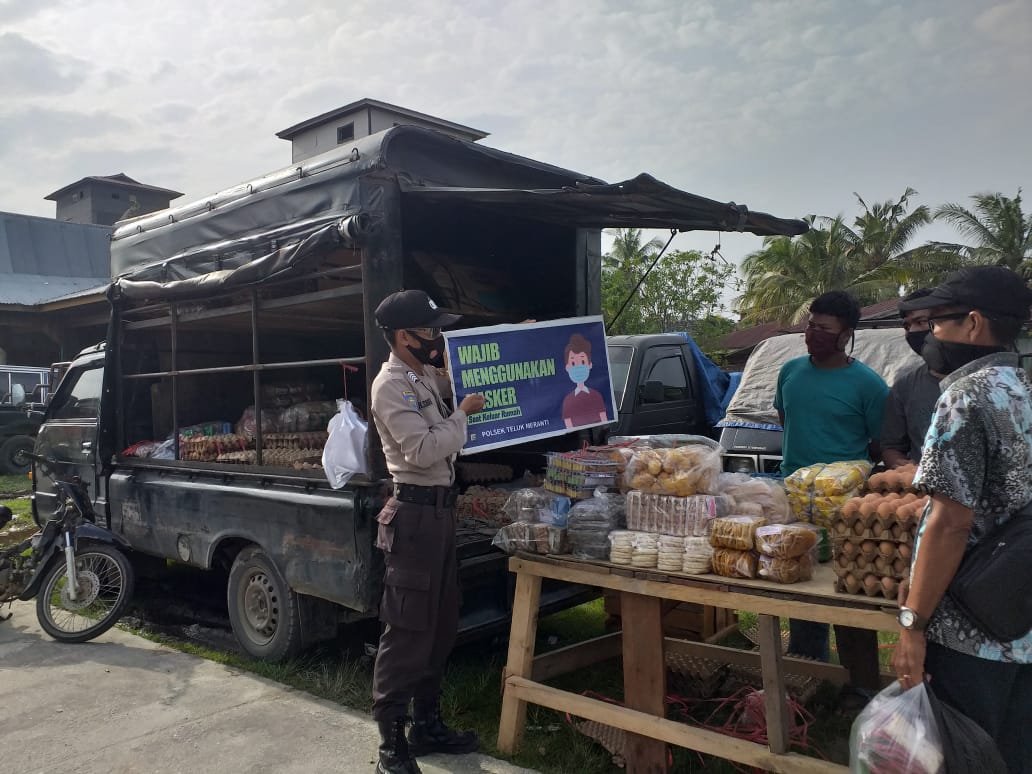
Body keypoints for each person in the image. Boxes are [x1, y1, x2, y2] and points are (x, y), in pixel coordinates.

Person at [892, 266, 1032, 774]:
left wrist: (912, 626)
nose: (931, 334)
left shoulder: (966, 395)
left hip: (971, 630)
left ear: (973, 323)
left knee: (962, 756)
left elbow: (949, 523)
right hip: (1022, 618)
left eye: (939, 323)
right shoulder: (1024, 388)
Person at [369, 289, 486, 774]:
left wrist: (518, 339)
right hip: (414, 517)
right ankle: (391, 745)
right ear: (404, 336)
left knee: (440, 624)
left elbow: (461, 375)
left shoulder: (422, 376)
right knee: (408, 629)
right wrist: (462, 415)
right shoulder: (391, 385)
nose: (438, 339)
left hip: (440, 515)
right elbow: (421, 450)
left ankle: (427, 725)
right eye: (431, 331)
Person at [774, 290, 888, 694]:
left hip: (844, 508)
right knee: (802, 589)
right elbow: (786, 419)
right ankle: (810, 674)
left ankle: (861, 686)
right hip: (794, 500)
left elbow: (879, 445)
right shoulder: (789, 372)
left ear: (846, 335)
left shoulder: (869, 385)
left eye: (823, 328)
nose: (812, 333)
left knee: (850, 594)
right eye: (810, 324)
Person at [880, 288, 945, 468]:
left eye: (920, 322)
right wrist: (907, 472)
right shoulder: (904, 387)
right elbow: (891, 447)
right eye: (907, 326)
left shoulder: (982, 383)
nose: (912, 331)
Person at [560, 332, 609, 429]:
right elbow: (569, 427)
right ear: (567, 367)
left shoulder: (597, 396)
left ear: (590, 364)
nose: (578, 367)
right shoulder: (567, 401)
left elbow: (605, 423)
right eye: (573, 363)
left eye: (582, 362)